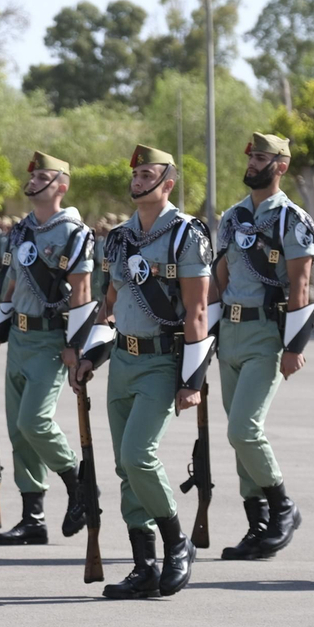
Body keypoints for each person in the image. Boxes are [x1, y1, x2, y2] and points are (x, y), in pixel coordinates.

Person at [73, 145, 212, 600]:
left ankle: (177, 542)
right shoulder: (118, 238)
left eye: (147, 174)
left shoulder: (186, 235)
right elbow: (109, 305)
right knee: (124, 467)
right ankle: (143, 565)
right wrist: (91, 356)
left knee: (138, 455)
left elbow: (197, 311)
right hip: (123, 361)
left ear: (167, 183)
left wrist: (191, 380)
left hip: (161, 360)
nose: (137, 180)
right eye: (135, 174)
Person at [0, 152, 93, 546]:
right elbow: (11, 286)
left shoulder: (75, 233)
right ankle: (33, 518)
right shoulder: (21, 230)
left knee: (34, 422)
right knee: (18, 431)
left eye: (43, 176)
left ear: (61, 186)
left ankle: (78, 484)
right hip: (20, 338)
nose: (34, 181)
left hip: (50, 340)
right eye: (33, 176)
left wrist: (75, 345)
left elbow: (82, 293)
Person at [209, 132, 314, 562]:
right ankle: (257, 525)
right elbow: (219, 280)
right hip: (229, 334)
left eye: (262, 158)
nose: (252, 163)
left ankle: (284, 507)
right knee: (239, 437)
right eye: (251, 156)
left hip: (266, 334)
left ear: (280, 167)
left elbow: (300, 285)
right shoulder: (232, 218)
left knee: (243, 429)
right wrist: (204, 339)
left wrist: (293, 346)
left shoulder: (292, 219)